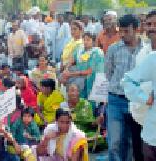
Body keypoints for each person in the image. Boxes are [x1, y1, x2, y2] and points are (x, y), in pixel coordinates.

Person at [105, 14, 144, 161]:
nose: (122, 35)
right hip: (115, 99)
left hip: (136, 102)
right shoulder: (113, 49)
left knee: (129, 142)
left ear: (136, 29)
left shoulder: (145, 49)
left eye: (126, 31)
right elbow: (108, 73)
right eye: (120, 31)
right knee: (114, 141)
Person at [122, 10, 156, 161]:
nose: (152, 28)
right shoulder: (144, 53)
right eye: (149, 24)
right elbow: (129, 81)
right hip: (141, 118)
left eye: (155, 24)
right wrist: (144, 98)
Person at [62, 32, 104, 98]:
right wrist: (66, 70)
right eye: (84, 40)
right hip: (79, 79)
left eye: (88, 40)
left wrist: (71, 74)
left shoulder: (97, 52)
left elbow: (90, 71)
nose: (85, 42)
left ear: (93, 41)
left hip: (92, 81)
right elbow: (72, 58)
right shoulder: (80, 49)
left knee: (90, 103)